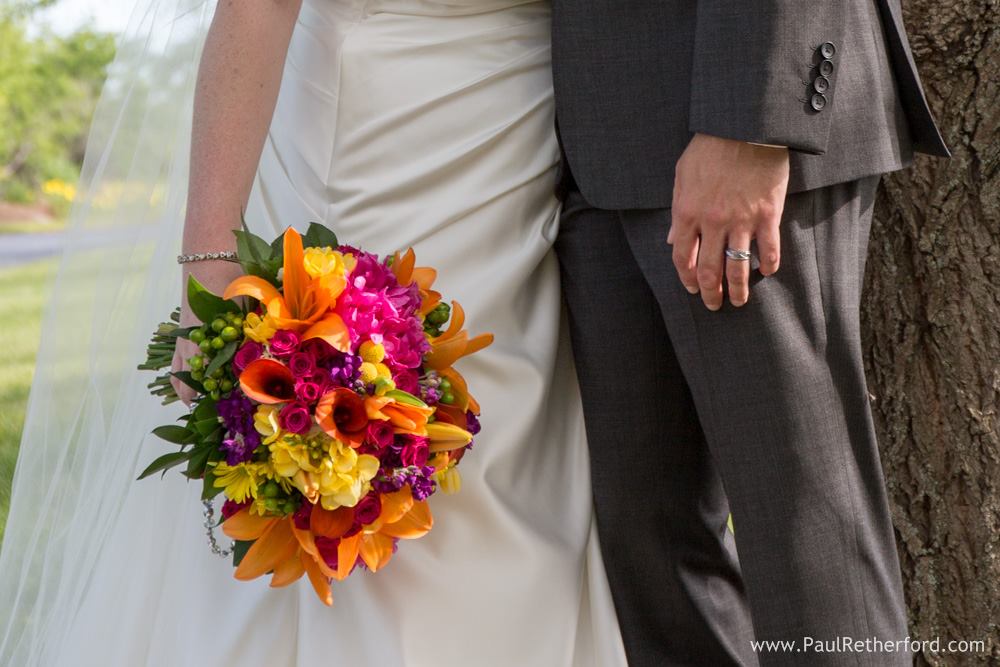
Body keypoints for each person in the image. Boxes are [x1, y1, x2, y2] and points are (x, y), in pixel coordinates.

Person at [0, 1, 628, 665]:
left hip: (525, 141)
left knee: (506, 454)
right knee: (361, 471)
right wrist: (209, 263)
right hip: (370, 136)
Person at [550, 1, 950, 665]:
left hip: (734, 131)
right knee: (649, 542)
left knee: (805, 535)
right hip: (594, 134)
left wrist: (752, 122)